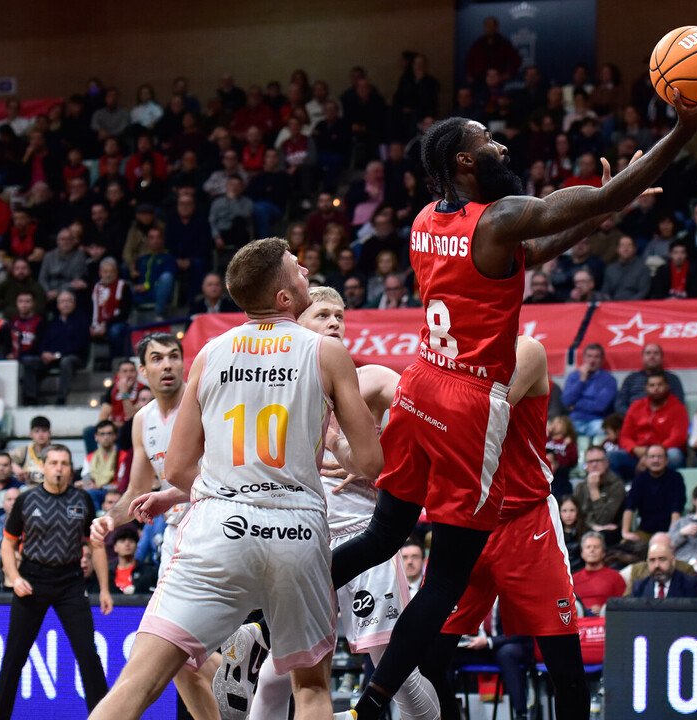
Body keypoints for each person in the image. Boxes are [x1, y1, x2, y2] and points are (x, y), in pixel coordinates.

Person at [329, 82, 697, 720]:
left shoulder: (429, 222)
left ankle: (286, 601)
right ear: (464, 162)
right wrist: (684, 128)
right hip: (465, 402)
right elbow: (582, 202)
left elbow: (534, 246)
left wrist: (596, 214)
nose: (500, 143)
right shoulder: (498, 217)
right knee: (446, 579)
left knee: (383, 534)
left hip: (419, 386)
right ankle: (374, 703)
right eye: (486, 140)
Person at [88, 238, 382, 720]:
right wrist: (338, 446)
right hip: (297, 529)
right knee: (310, 690)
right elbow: (370, 463)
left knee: (138, 683)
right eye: (297, 268)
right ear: (285, 297)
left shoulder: (208, 353)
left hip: (219, 526)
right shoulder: (326, 353)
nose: (306, 269)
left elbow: (180, 469)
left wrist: (225, 480)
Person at [241, 287, 439, 720]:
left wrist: (376, 458)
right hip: (305, 542)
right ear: (296, 324)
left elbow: (428, 418)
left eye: (339, 316)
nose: (334, 323)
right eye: (323, 315)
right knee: (280, 672)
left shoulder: (370, 378)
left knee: (394, 671)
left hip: (364, 539)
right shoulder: (273, 392)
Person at [424, 336, 588, 720]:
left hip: (527, 522)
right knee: (429, 661)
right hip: (468, 525)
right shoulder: (444, 362)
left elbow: (481, 415)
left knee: (565, 669)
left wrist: (425, 404)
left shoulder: (526, 349)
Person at [90, 332, 222, 718]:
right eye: (158, 359)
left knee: (170, 650)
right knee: (180, 662)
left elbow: (223, 474)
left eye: (174, 357)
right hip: (174, 540)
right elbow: (137, 490)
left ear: (184, 363)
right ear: (142, 371)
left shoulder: (204, 403)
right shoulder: (142, 421)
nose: (167, 365)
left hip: (214, 529)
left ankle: (253, 687)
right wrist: (108, 520)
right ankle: (245, 687)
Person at [0, 445, 112, 720]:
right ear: (44, 467)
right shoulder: (26, 500)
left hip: (70, 582)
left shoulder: (83, 500)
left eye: (65, 464)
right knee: (13, 659)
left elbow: (96, 546)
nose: (59, 468)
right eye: (54, 463)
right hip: (32, 580)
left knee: (89, 657)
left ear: (71, 469)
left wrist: (104, 588)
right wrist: (14, 577)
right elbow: (7, 544)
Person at [616, 371, 688, 474]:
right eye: (652, 385)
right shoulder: (636, 406)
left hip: (664, 453)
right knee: (613, 457)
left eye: (660, 385)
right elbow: (625, 436)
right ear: (646, 388)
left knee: (675, 455)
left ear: (667, 387)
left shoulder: (678, 408)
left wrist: (654, 454)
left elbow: (678, 437)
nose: (656, 388)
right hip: (639, 453)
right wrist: (634, 449)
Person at [620, 445, 687, 543]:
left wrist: (671, 534)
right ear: (646, 460)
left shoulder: (676, 478)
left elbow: (676, 509)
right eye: (652, 457)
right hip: (644, 532)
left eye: (660, 457)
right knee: (625, 545)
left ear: (667, 460)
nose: (656, 460)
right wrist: (625, 532)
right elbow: (629, 507)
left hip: (668, 531)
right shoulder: (640, 479)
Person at [571, 445, 626, 545]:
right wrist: (593, 527)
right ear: (586, 466)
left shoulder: (617, 485)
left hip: (610, 536)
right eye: (590, 462)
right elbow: (574, 517)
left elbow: (604, 520)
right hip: (584, 532)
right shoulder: (580, 487)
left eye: (598, 461)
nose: (594, 465)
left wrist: (593, 489)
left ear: (606, 463)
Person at [562, 343, 616, 440]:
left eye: (596, 357)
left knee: (601, 430)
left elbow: (600, 406)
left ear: (602, 359)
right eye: (589, 356)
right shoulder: (574, 376)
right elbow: (566, 401)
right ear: (584, 358)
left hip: (597, 421)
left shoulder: (609, 380)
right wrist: (581, 381)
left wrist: (575, 405)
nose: (592, 360)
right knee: (561, 431)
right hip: (574, 420)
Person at [614, 343, 686, 414]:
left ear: (661, 357)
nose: (652, 356)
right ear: (642, 357)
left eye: (656, 353)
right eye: (648, 353)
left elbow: (679, 404)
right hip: (635, 420)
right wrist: (634, 417)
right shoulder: (631, 379)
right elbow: (620, 405)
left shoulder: (672, 379)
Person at [630, 533, 697, 598]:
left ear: (673, 561)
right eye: (652, 560)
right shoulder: (639, 587)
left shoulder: (691, 585)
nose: (656, 565)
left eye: (662, 559)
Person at [573, 531, 626, 614]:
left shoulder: (616, 577)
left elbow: (622, 605)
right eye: (588, 547)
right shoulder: (573, 579)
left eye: (596, 547)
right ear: (582, 553)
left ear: (603, 553)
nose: (592, 550)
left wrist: (603, 610)